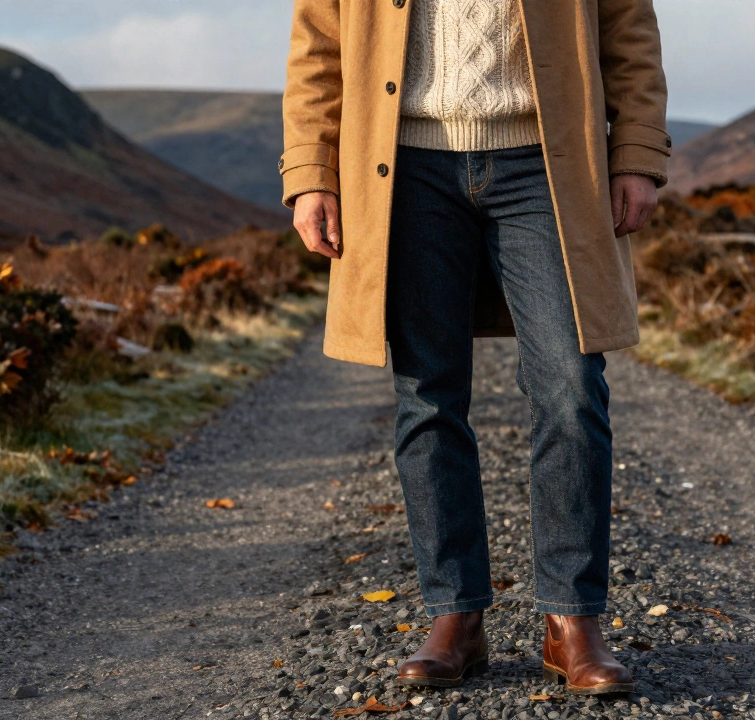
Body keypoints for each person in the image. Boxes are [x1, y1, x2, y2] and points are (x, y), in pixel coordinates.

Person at [281, 0, 671, 695]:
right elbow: (318, 42)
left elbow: (628, 28)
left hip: (549, 162)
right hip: (402, 166)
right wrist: (310, 170)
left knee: (571, 386)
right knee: (428, 396)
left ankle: (572, 621)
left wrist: (637, 153)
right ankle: (455, 616)